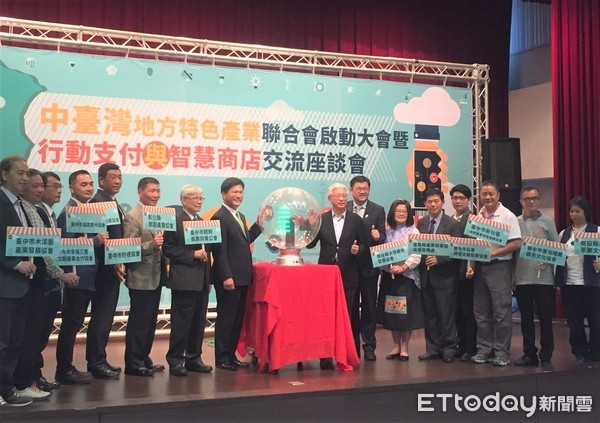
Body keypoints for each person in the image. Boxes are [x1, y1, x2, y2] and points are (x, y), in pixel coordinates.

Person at [13, 170, 77, 401]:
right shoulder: (24, 210)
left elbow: (51, 248)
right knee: (27, 338)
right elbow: (43, 250)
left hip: (47, 283)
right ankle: (23, 381)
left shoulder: (40, 210)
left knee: (37, 337)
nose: (40, 190)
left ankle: (31, 378)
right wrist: (59, 274)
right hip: (33, 283)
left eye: (42, 185)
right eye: (36, 186)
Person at [55, 170, 107, 385]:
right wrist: (95, 241)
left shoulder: (90, 212)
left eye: (90, 183)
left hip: (88, 277)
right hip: (75, 278)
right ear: (71, 188)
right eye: (83, 184)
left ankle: (66, 367)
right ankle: (64, 370)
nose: (89, 188)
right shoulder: (69, 212)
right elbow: (62, 246)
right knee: (71, 325)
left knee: (75, 324)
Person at [306, 183, 367, 369]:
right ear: (330, 199)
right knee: (326, 317)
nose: (341, 199)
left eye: (343, 196)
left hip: (349, 275)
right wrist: (311, 226)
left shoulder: (356, 220)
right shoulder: (322, 219)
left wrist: (358, 249)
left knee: (348, 316)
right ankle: (325, 357)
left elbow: (365, 245)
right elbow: (310, 244)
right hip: (325, 276)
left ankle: (348, 355)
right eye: (337, 196)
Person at [210, 177, 264, 371]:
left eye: (240, 192)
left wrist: (259, 223)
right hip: (229, 278)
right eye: (234, 192)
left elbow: (245, 240)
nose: (238, 195)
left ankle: (230, 355)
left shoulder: (239, 216)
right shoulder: (219, 217)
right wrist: (226, 276)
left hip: (241, 277)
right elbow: (219, 250)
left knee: (236, 319)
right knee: (226, 319)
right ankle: (222, 358)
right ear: (224, 194)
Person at [163, 185, 213, 376]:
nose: (199, 201)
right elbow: (167, 249)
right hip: (184, 280)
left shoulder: (202, 222)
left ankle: (194, 358)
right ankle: (176, 359)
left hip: (202, 280)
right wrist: (192, 254)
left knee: (198, 323)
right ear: (184, 201)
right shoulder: (175, 220)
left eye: (201, 198)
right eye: (194, 198)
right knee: (181, 323)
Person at [471, 180, 522, 367]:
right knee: (481, 312)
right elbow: (473, 243)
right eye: (484, 194)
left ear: (498, 195)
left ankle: (501, 352)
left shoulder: (507, 216)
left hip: (499, 267)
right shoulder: (478, 216)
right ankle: (484, 350)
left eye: (491, 194)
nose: (487, 197)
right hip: (480, 268)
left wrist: (494, 253)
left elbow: (516, 243)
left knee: (501, 312)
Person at [0, 155, 36, 406]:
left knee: (15, 341)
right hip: (4, 283)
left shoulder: (22, 205)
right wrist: (15, 263)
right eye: (20, 173)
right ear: (4, 175)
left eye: (27, 173)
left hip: (23, 285)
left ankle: (7, 388)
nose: (25, 178)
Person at [123, 177, 166, 377]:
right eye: (151, 191)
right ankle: (133, 363)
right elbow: (128, 248)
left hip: (155, 276)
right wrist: (151, 245)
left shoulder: (158, 214)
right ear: (140, 192)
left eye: (158, 191)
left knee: (150, 322)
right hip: (140, 277)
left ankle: (144, 357)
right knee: (139, 322)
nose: (156, 195)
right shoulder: (132, 216)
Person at [87, 163, 126, 379]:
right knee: (101, 317)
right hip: (104, 270)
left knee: (105, 317)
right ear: (101, 180)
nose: (118, 181)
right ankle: (96, 362)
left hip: (112, 267)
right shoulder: (98, 203)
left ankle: (99, 359)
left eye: (120, 177)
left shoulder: (111, 201)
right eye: (113, 177)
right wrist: (114, 264)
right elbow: (102, 239)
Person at [514, 186, 559, 367]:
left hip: (544, 279)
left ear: (539, 200)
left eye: (535, 198)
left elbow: (557, 249)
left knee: (546, 318)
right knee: (526, 319)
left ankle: (546, 354)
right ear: (521, 201)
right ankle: (529, 354)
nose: (531, 201)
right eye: (527, 198)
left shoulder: (548, 221)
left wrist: (548, 260)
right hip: (522, 278)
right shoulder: (515, 222)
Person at [416, 188, 461, 363]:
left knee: (446, 315)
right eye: (429, 202)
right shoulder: (421, 223)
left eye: (436, 201)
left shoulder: (452, 224)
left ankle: (449, 348)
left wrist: (439, 259)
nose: (433, 204)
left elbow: (457, 250)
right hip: (426, 277)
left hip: (445, 278)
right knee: (430, 315)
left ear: (442, 202)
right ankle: (432, 348)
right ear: (425, 204)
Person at [555, 196, 600, 364]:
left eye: (577, 211)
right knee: (575, 323)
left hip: (592, 284)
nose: (574, 214)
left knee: (596, 321)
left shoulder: (596, 231)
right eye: (571, 211)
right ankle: (579, 352)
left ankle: (596, 352)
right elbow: (559, 257)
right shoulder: (564, 234)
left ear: (586, 212)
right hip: (570, 285)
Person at [377, 199, 423, 361]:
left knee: (405, 314)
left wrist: (403, 267)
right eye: (398, 211)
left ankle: (405, 348)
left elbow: (416, 254)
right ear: (392, 213)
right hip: (389, 276)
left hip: (406, 277)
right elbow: (380, 253)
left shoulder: (414, 231)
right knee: (392, 313)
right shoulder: (386, 232)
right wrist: (387, 266)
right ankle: (395, 346)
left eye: (404, 211)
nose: (401, 214)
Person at [347, 175, 386, 361]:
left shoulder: (378, 210)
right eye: (359, 188)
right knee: (352, 308)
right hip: (349, 267)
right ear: (351, 190)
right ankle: (352, 346)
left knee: (370, 307)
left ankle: (369, 346)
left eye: (365, 188)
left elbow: (384, 236)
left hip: (369, 266)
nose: (362, 191)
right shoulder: (345, 208)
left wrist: (379, 236)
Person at [450, 184, 477, 362]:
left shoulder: (473, 219)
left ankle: (470, 347)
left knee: (468, 311)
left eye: (461, 198)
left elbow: (475, 245)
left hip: (467, 272)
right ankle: (459, 345)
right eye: (455, 198)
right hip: (451, 272)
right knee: (457, 311)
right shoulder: (450, 219)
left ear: (468, 200)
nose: (458, 201)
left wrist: (470, 265)